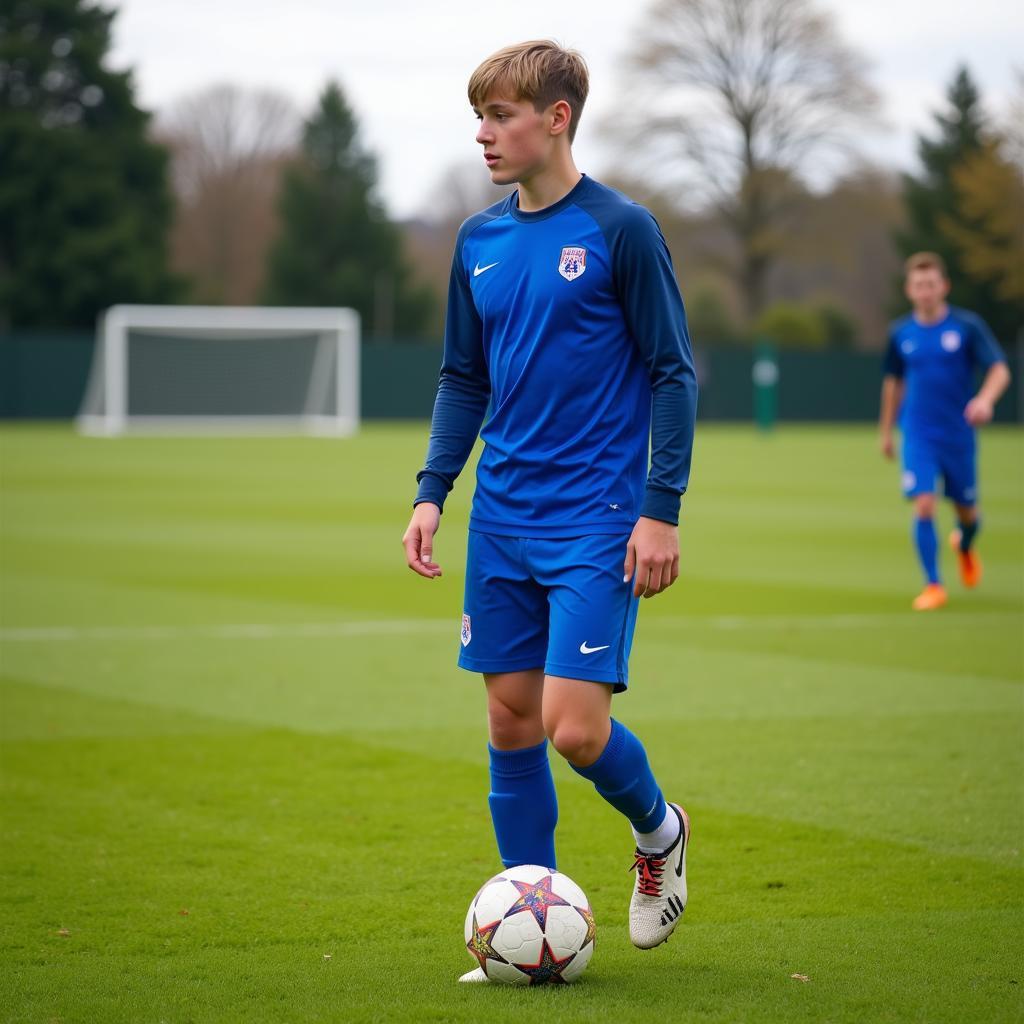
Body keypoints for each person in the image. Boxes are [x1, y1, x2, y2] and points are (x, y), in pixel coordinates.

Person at [401, 40, 698, 979]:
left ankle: (660, 833)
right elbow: (461, 377)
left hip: (597, 519)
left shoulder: (622, 229)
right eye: (479, 118)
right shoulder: (477, 241)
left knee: (575, 728)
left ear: (557, 117)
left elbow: (672, 371)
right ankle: (529, 931)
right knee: (510, 721)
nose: (485, 135)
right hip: (502, 518)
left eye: (502, 116)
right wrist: (431, 492)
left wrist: (661, 509)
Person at [879, 252, 1010, 611]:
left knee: (968, 513)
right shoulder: (900, 332)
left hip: (958, 434)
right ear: (909, 290)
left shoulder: (967, 327)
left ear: (944, 287)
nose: (925, 291)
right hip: (918, 434)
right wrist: (887, 432)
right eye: (919, 285)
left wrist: (985, 400)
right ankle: (933, 584)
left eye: (931, 285)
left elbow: (999, 369)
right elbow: (893, 384)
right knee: (924, 503)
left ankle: (964, 544)